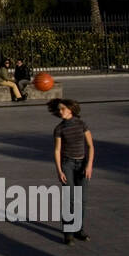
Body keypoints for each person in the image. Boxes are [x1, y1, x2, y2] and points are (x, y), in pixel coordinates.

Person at [49, 98, 94, 245]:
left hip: (82, 165)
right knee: (70, 199)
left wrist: (89, 165)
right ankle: (68, 233)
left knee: (82, 199)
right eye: (58, 109)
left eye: (62, 109)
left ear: (70, 109)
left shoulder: (82, 124)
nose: (60, 111)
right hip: (67, 164)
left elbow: (90, 146)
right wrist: (59, 170)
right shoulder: (59, 129)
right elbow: (57, 150)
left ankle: (79, 230)